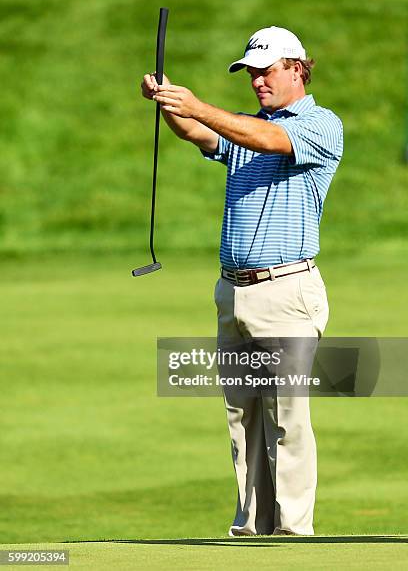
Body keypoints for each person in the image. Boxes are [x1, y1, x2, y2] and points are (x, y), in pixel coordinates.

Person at [141, 26, 343, 536]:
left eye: (266, 70)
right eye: (251, 72)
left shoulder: (319, 124)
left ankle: (294, 532)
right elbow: (201, 134)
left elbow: (266, 139)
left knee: (287, 418)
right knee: (243, 419)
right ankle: (253, 528)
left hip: (287, 292)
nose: (257, 80)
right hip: (234, 292)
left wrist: (199, 104)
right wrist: (171, 103)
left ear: (297, 67)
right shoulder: (243, 128)